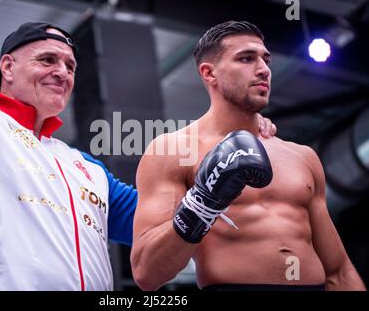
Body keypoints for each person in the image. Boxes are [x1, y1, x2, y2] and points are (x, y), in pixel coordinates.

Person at [0, 0, 276, 290]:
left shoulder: (87, 169)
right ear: (8, 67)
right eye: (47, 60)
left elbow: (170, 220)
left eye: (71, 66)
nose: (62, 72)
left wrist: (237, 129)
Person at [130, 21, 366, 291]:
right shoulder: (173, 151)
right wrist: (202, 203)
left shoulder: (302, 156)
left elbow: (338, 269)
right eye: (246, 58)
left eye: (266, 59)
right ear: (209, 73)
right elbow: (147, 273)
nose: (264, 69)